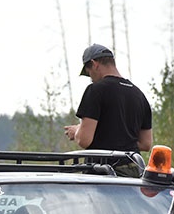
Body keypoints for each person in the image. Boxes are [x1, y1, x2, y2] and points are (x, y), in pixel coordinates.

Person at [63, 43, 153, 176]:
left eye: (88, 73)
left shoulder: (95, 90)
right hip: (133, 172)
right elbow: (146, 144)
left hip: (103, 173)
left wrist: (76, 131)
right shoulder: (139, 95)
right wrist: (119, 141)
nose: (91, 78)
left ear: (94, 64)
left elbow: (84, 140)